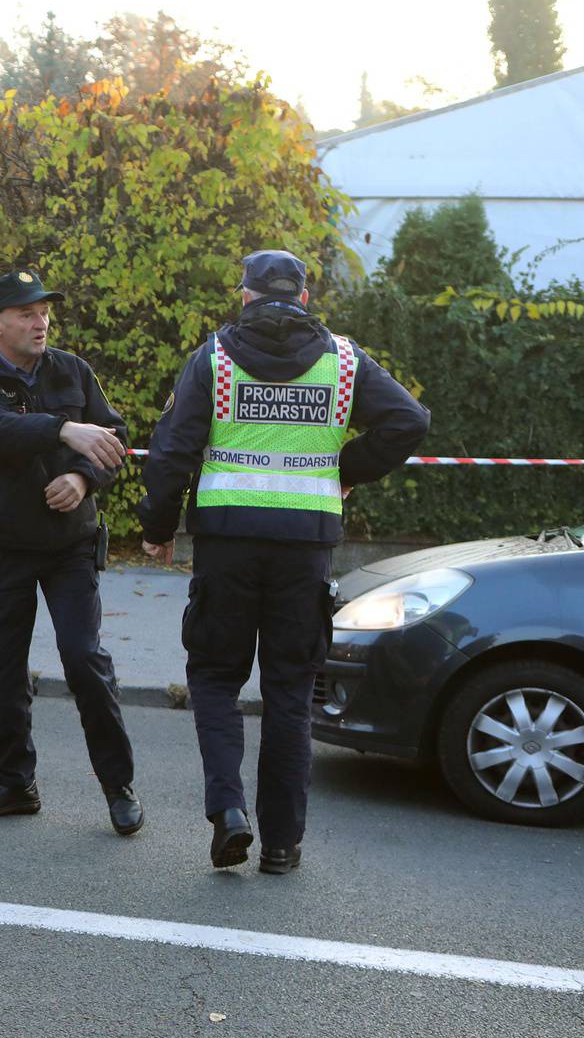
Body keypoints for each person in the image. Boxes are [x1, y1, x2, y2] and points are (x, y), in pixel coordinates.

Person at [137, 250, 429, 874]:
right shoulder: (344, 360)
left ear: (244, 295)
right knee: (290, 693)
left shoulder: (214, 358)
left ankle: (228, 813)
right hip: (306, 551)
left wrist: (157, 529)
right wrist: (345, 471)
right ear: (301, 297)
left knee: (215, 679)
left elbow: (171, 451)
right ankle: (281, 844)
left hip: (226, 545)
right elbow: (408, 420)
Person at [0, 269, 142, 836]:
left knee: (85, 660)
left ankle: (118, 787)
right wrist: (64, 430)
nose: (41, 322)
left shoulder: (73, 370)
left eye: (45, 311)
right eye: (27, 313)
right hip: (2, 549)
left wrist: (83, 479)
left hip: (68, 548)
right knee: (3, 670)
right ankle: (14, 784)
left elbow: (113, 437)